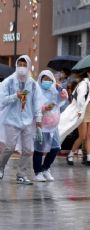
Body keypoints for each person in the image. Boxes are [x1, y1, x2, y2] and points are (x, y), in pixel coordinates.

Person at [0, 55, 44, 185]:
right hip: (12, 120)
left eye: (25, 65)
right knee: (10, 147)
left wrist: (38, 120)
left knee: (28, 149)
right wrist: (15, 96)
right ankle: (1, 167)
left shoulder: (33, 85)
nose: (22, 67)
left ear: (29, 66)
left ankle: (21, 174)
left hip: (28, 120)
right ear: (16, 65)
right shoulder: (8, 82)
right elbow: (2, 101)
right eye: (20, 64)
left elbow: (36, 103)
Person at [33, 70, 68, 182]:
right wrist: (42, 109)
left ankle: (45, 168)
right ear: (41, 79)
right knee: (39, 150)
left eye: (49, 79)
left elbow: (61, 100)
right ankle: (37, 171)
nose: (47, 82)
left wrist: (62, 92)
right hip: (41, 125)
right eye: (45, 79)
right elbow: (31, 106)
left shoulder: (54, 90)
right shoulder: (36, 90)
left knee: (55, 148)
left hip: (53, 126)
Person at [66, 67, 90, 167]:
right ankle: (70, 154)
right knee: (82, 136)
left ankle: (89, 158)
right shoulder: (83, 84)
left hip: (89, 110)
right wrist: (80, 111)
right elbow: (80, 99)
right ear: (88, 73)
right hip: (83, 111)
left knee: (89, 136)